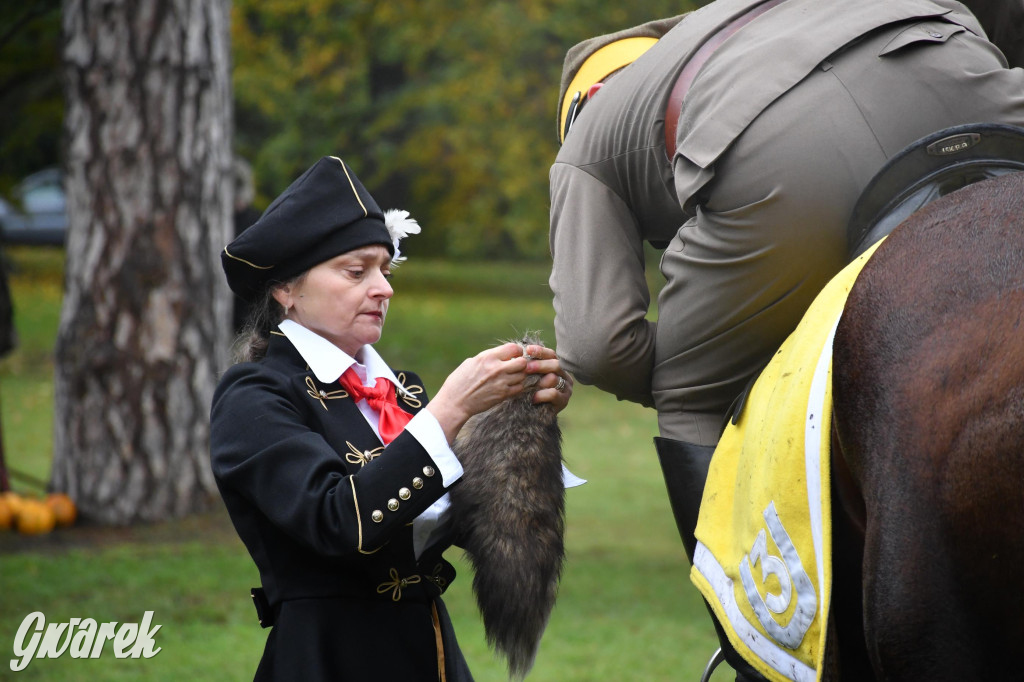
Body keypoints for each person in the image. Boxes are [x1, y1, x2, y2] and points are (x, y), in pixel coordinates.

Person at [548, 3, 1024, 678]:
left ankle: (754, 646)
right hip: (965, 72)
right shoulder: (735, 19)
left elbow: (598, 344)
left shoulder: (588, 132)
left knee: (688, 395)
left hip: (790, 161)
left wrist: (704, 365)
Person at [211, 156, 572, 681]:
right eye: (356, 271)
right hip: (326, 660)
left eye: (385, 268)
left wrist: (519, 424)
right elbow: (338, 523)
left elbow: (481, 533)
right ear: (285, 290)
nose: (384, 288)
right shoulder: (253, 395)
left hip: (433, 656)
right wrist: (450, 410)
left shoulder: (399, 391)